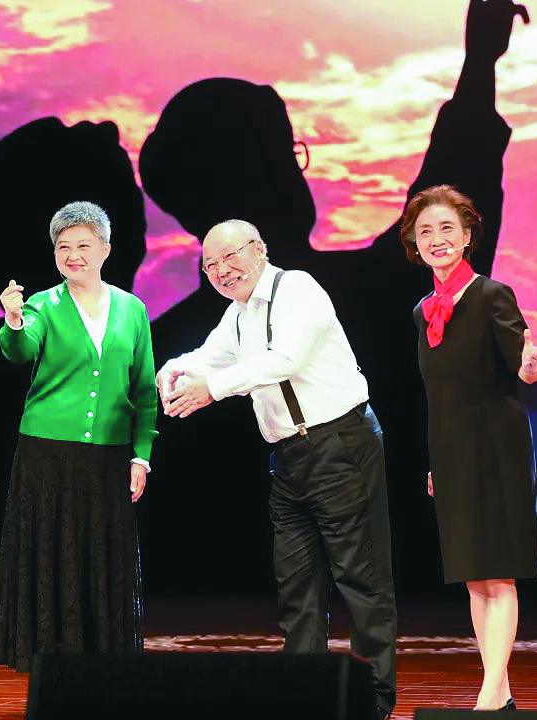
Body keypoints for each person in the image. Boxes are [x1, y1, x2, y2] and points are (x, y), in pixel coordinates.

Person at [157, 219, 396, 719]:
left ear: (260, 250)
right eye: (210, 265)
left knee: (361, 580)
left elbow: (284, 359)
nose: (222, 270)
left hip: (339, 444)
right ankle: (304, 696)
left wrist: (212, 390)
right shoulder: (238, 313)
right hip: (288, 459)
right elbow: (209, 357)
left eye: (231, 256)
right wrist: (174, 369)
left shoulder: (298, 289)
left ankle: (373, 701)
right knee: (297, 588)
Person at [0, 201, 157, 672]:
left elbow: (144, 389)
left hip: (110, 455)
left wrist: (141, 455)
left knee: (103, 554)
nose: (73, 255)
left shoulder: (132, 309)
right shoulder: (42, 305)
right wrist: (13, 319)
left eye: (83, 245)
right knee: (48, 552)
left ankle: (100, 658)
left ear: (105, 249)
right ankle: (46, 657)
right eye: (63, 247)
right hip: (47, 452)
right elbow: (20, 349)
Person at [401, 185, 537, 711]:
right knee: (474, 580)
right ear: (414, 244)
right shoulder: (423, 312)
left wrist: (531, 365)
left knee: (499, 574)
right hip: (453, 454)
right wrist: (437, 462)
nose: (436, 239)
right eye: (425, 231)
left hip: (497, 450)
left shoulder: (491, 295)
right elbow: (438, 395)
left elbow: (524, 368)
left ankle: (487, 700)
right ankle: (500, 694)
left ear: (467, 236)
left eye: (447, 228)